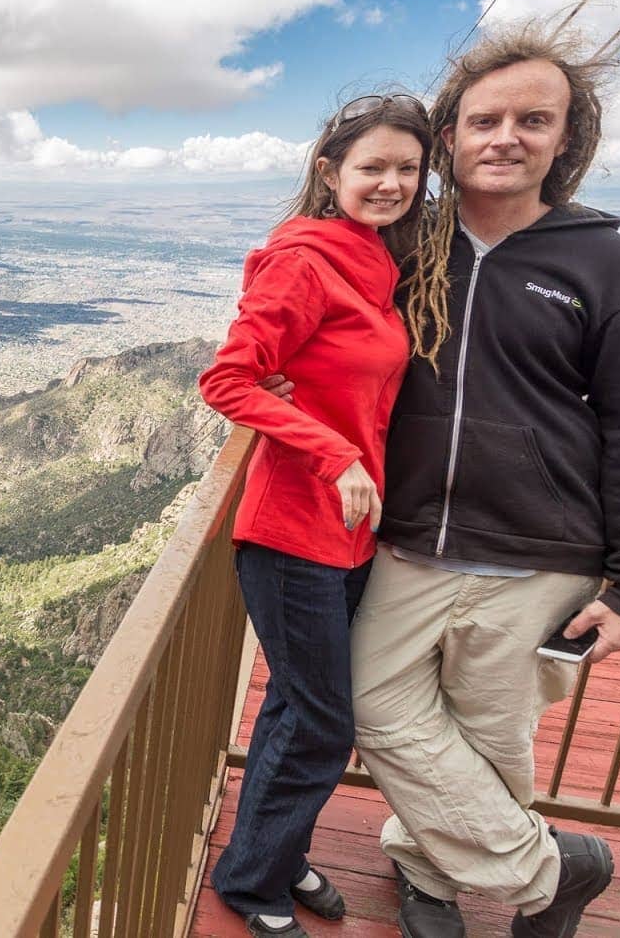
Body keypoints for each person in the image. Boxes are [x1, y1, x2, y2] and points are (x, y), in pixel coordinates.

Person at [268, 24, 620, 938]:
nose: (505, 137)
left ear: (566, 139)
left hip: (541, 553)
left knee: (492, 740)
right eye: (483, 119)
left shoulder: (607, 266)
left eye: (532, 119)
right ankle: (551, 873)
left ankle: (428, 876)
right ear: (448, 139)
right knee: (373, 707)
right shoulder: (405, 248)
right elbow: (320, 320)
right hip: (410, 540)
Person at [198, 92, 435, 938]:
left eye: (408, 169)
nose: (392, 183)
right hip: (293, 528)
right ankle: (252, 883)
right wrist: (332, 453)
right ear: (331, 171)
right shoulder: (306, 261)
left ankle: (269, 850)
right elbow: (226, 378)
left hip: (348, 532)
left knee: (294, 709)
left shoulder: (371, 260)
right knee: (325, 719)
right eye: (373, 167)